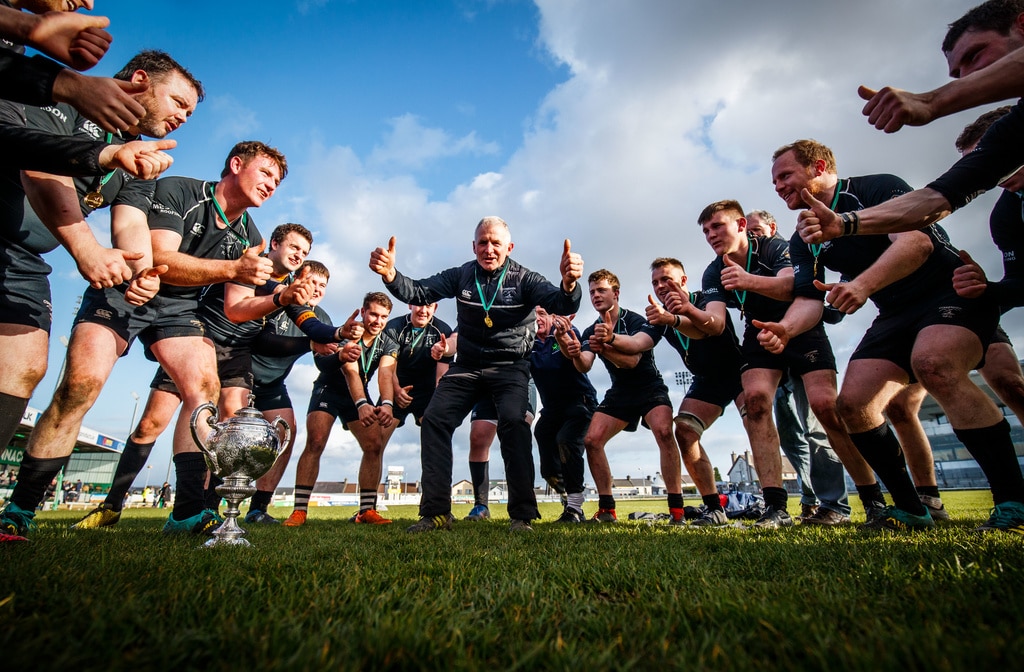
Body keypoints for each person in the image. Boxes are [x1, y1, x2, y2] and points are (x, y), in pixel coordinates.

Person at [764, 139, 1019, 531]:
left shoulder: (875, 187)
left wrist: (863, 285)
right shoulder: (802, 239)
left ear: (818, 168)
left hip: (951, 291)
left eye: (785, 175)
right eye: (774, 180)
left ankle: (1012, 501)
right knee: (852, 405)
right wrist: (786, 327)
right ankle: (911, 508)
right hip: (895, 311)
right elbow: (808, 297)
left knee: (934, 365)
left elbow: (915, 243)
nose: (778, 186)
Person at [0, 51, 205, 538]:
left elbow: (131, 220)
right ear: (139, 81)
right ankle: (23, 507)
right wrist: (86, 249)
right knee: (67, 383)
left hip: (25, 261)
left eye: (190, 113)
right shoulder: (67, 101)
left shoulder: (138, 155)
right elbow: (41, 170)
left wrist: (143, 271)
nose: (182, 116)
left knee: (26, 367)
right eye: (177, 101)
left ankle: (17, 514)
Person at [67, 224, 335, 530]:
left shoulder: (290, 288)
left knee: (231, 426)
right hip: (198, 342)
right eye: (294, 247)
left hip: (236, 353)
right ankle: (112, 505)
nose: (298, 255)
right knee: (150, 424)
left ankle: (204, 509)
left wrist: (339, 334)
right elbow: (233, 305)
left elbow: (309, 325)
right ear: (274, 243)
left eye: (304, 252)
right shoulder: (245, 261)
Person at [369, 216, 583, 533]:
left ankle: (522, 516)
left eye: (496, 242)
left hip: (510, 367)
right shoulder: (461, 275)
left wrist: (569, 283)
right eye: (482, 242)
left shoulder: (525, 278)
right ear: (473, 246)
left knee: (514, 421)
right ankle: (437, 513)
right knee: (435, 419)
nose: (488, 248)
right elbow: (418, 291)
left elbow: (560, 300)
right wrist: (390, 275)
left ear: (509, 247)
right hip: (467, 366)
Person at [699, 199, 872, 528]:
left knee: (825, 409)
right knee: (756, 403)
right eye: (706, 230)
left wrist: (748, 281)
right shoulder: (713, 270)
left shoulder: (775, 247)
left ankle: (866, 499)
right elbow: (717, 321)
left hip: (802, 328)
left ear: (740, 226)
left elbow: (794, 285)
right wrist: (684, 316)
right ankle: (776, 507)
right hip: (760, 332)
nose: (711, 234)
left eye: (717, 226)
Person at [611, 258, 739, 526]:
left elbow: (707, 327)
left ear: (683, 280)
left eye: (666, 279)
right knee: (684, 431)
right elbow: (638, 343)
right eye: (655, 282)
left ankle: (778, 504)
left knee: (757, 419)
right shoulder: (661, 317)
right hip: (707, 381)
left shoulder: (705, 299)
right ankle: (715, 509)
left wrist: (677, 317)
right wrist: (609, 339)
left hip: (738, 371)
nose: (660, 285)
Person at [744, 210, 851, 523]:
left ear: (772, 227)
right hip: (770, 352)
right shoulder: (745, 258)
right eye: (748, 231)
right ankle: (808, 496)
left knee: (817, 422)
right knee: (789, 433)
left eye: (757, 229)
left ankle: (836, 503)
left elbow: (796, 286)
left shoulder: (783, 249)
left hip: (802, 343)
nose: (752, 236)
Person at [556, 269, 682, 524]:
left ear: (616, 293)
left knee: (664, 432)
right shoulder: (592, 329)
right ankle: (607, 510)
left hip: (650, 387)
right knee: (592, 440)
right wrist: (566, 346)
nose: (595, 295)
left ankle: (677, 510)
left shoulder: (636, 320)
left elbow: (634, 359)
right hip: (620, 391)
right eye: (591, 292)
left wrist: (608, 343)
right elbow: (584, 364)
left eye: (601, 290)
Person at [243, 261, 361, 524]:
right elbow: (260, 341)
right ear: (296, 280)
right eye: (312, 282)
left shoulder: (322, 318)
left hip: (273, 384)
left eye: (322, 285)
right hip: (240, 376)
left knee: (286, 433)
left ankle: (258, 509)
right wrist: (309, 343)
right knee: (226, 436)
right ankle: (202, 503)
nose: (316, 289)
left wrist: (341, 354)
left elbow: (322, 360)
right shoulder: (276, 302)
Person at [283, 292, 399, 527]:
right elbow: (351, 371)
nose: (378, 321)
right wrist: (362, 404)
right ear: (363, 312)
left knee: (374, 445)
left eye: (384, 317)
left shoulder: (388, 342)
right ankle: (299, 511)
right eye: (374, 314)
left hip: (358, 396)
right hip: (330, 389)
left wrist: (386, 403)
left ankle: (366, 511)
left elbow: (386, 374)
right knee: (315, 442)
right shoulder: (349, 334)